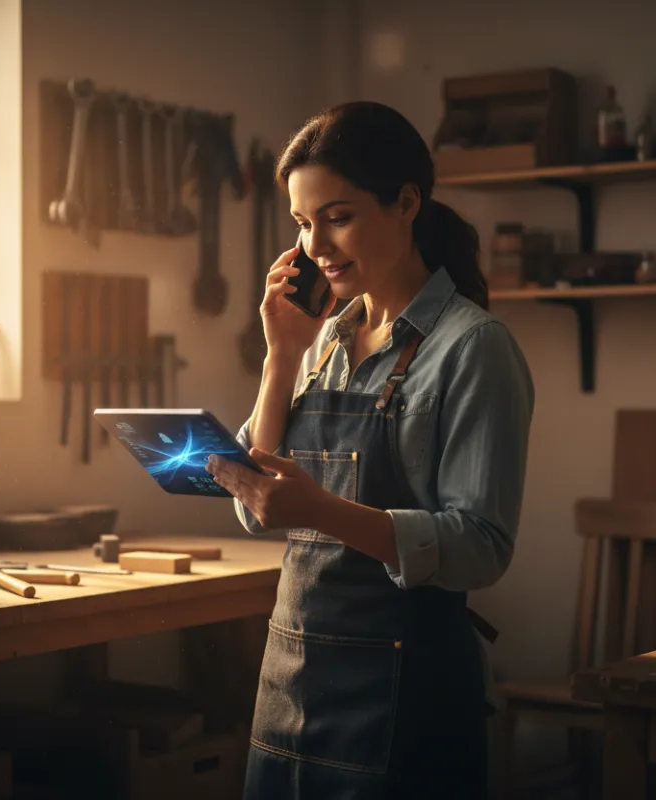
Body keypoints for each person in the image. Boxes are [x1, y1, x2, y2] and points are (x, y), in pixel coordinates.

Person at [205, 100, 535, 798]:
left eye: (338, 216)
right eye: (301, 223)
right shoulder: (322, 340)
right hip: (292, 691)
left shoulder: (474, 349)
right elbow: (253, 506)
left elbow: (481, 545)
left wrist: (321, 511)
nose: (314, 248)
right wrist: (279, 357)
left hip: (408, 705)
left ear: (407, 202)